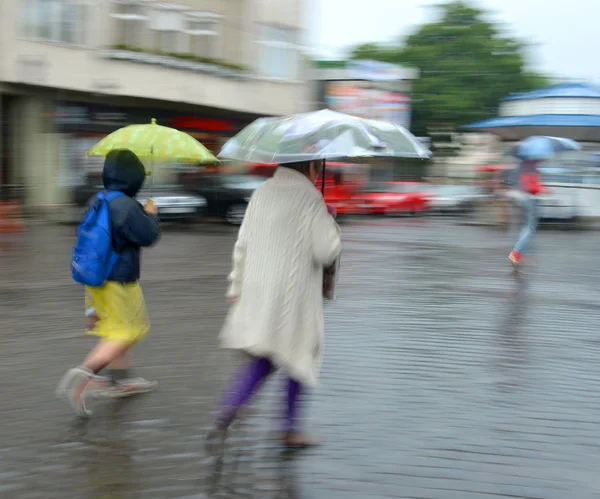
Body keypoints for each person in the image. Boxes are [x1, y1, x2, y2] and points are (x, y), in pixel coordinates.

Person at [207, 160, 341, 451]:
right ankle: (289, 429)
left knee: (268, 354)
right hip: (293, 296)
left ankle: (228, 410)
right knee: (299, 356)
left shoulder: (262, 192)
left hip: (259, 291)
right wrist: (329, 219)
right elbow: (325, 250)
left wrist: (236, 285)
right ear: (310, 168)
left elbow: (242, 243)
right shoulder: (310, 197)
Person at [57, 149, 161, 417]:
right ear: (134, 178)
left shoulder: (97, 199)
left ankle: (120, 379)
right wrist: (151, 213)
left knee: (113, 329)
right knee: (129, 331)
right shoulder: (126, 206)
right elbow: (148, 236)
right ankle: (84, 375)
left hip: (94, 279)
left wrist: (90, 308)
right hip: (120, 282)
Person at [508, 159, 543, 269]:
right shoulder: (529, 170)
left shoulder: (526, 168)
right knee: (529, 228)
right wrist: (541, 187)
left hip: (525, 200)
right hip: (530, 200)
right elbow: (531, 188)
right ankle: (516, 252)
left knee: (527, 227)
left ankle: (518, 253)